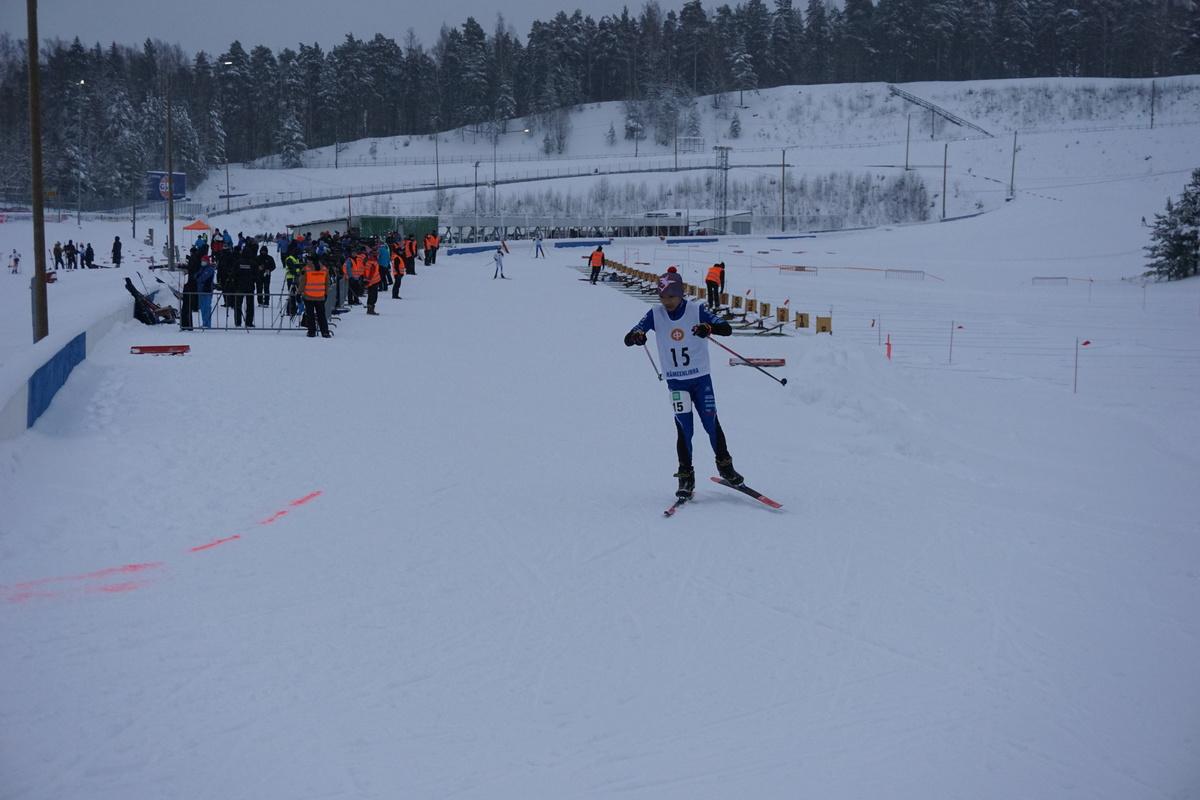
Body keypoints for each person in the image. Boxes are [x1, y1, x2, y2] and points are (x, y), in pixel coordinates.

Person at [623, 270, 744, 499]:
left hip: (700, 379)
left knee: (710, 422)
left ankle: (726, 467)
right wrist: (637, 336)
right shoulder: (655, 314)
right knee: (684, 428)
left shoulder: (696, 310)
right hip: (677, 382)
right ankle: (686, 476)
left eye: (671, 297)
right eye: (662, 297)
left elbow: (726, 328)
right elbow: (629, 337)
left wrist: (708, 328)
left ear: (680, 294)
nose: (666, 302)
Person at [300, 256, 332, 338]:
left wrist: (299, 292)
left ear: (310, 260)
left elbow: (302, 282)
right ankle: (325, 332)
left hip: (308, 296)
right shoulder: (324, 269)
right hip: (320, 296)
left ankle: (311, 332)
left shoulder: (306, 269)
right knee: (321, 315)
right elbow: (327, 283)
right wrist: (326, 293)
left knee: (310, 315)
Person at [233, 239, 257, 327]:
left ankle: (237, 322)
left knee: (238, 305)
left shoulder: (238, 262)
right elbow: (257, 275)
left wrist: (235, 283)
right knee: (250, 306)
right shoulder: (253, 263)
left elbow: (234, 274)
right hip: (250, 287)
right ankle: (249, 322)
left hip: (239, 286)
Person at [196, 255, 215, 328]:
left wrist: (198, 278)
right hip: (201, 290)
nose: (202, 262)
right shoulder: (202, 268)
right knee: (202, 308)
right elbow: (196, 276)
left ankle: (207, 324)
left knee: (207, 308)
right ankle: (204, 323)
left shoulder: (209, 269)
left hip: (207, 290)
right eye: (202, 260)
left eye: (204, 260)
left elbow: (202, 278)